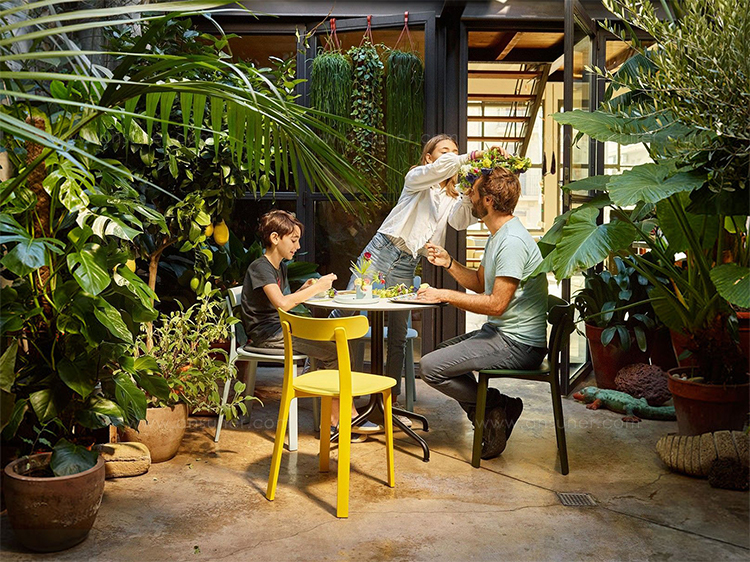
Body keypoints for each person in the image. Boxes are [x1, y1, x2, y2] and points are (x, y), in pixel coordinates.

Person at [339, 135, 504, 415]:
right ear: (429, 157)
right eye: (444, 151)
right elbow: (440, 169)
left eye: (455, 151)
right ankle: (339, 393)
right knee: (347, 319)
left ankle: (386, 404)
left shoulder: (452, 195)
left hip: (407, 263)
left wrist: (467, 191)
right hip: (380, 253)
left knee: (398, 335)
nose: (451, 155)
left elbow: (459, 222)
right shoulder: (416, 178)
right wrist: (472, 156)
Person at [416, 166, 548, 460]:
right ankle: (495, 413)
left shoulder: (512, 242)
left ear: (488, 200)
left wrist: (444, 295)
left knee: (430, 367)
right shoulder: (498, 235)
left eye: (473, 192)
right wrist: (449, 263)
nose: (468, 196)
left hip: (518, 344)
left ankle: (495, 406)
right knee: (442, 355)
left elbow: (496, 304)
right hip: (501, 334)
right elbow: (479, 283)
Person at [241, 209, 380, 437]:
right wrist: (317, 288)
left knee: (337, 345)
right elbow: (282, 304)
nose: (297, 246)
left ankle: (343, 414)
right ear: (275, 238)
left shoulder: (279, 267)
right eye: (293, 240)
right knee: (334, 351)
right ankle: (338, 420)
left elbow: (282, 302)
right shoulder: (260, 267)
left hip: (280, 329)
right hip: (267, 336)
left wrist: (303, 289)